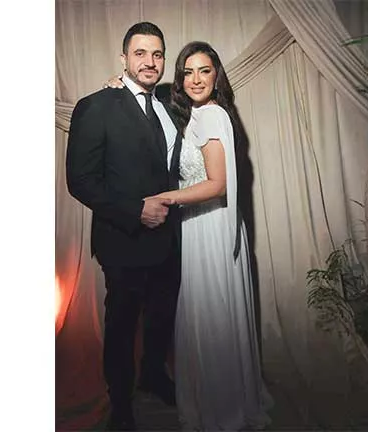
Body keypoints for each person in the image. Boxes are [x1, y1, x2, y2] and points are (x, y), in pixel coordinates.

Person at [109, 41, 273, 431]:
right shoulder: (194, 114)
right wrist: (119, 85)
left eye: (205, 70)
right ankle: (219, 399)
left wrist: (163, 198)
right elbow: (146, 100)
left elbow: (217, 185)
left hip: (211, 226)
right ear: (180, 78)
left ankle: (222, 409)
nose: (196, 79)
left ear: (217, 76)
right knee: (208, 314)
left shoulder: (212, 115)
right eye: (188, 72)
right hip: (197, 226)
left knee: (213, 316)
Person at [65, 22, 182, 431]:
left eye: (157, 54)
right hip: (124, 240)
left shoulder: (169, 104)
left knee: (161, 317)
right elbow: (80, 180)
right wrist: (135, 211)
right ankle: (121, 403)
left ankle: (153, 375)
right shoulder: (96, 106)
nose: (150, 62)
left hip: (169, 239)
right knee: (121, 324)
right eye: (140, 53)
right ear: (123, 59)